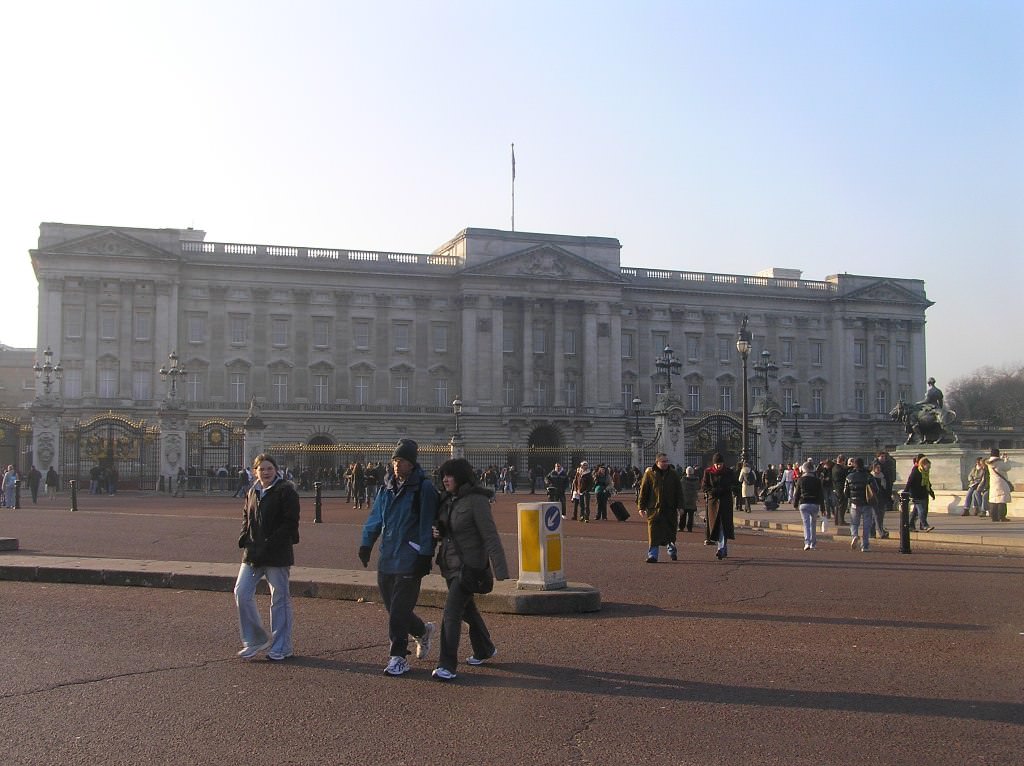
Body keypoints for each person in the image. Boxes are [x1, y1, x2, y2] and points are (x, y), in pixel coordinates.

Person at [358, 439, 438, 676]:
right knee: (393, 608)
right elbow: (375, 519)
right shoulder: (386, 488)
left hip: (410, 555)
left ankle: (398, 657)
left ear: (411, 463)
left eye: (400, 460)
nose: (396, 464)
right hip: (388, 556)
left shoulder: (424, 489)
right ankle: (422, 631)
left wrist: (425, 554)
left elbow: (427, 523)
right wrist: (366, 543)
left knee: (399, 610)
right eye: (394, 460)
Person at [430, 458, 509, 681]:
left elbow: (490, 536)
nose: (445, 479)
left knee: (451, 612)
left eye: (450, 475)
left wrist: (501, 571)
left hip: (469, 567)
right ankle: (485, 649)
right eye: (443, 475)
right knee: (468, 610)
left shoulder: (477, 501)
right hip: (449, 564)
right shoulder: (446, 499)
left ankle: (447, 664)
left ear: (461, 477)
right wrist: (438, 532)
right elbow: (445, 528)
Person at [234, 454, 300, 661]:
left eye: (269, 468)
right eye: (262, 469)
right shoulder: (252, 490)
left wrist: (270, 542)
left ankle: (282, 646)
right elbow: (247, 515)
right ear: (255, 471)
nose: (266, 472)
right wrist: (245, 536)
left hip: (276, 553)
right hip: (253, 552)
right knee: (241, 592)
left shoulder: (286, 491)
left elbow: (290, 522)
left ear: (276, 470)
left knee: (279, 600)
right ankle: (255, 640)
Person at [637, 453, 682, 563]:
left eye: (666, 461)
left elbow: (679, 492)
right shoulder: (649, 474)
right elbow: (644, 492)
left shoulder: (674, 474)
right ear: (657, 462)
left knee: (670, 532)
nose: (666, 463)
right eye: (663, 461)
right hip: (654, 509)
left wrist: (680, 506)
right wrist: (641, 507)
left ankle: (671, 550)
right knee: (653, 532)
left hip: (669, 508)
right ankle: (653, 555)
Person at [701, 452, 736, 560]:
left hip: (725, 501)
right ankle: (723, 547)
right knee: (716, 525)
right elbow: (704, 486)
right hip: (713, 502)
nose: (718, 466)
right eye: (716, 464)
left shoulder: (729, 472)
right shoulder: (708, 472)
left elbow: (734, 484)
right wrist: (713, 491)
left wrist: (725, 489)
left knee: (723, 525)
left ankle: (720, 548)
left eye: (719, 464)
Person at [845, 457, 878, 551]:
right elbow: (876, 489)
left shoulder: (849, 476)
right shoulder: (869, 476)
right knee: (867, 525)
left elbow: (845, 492)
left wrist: (851, 497)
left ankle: (855, 535)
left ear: (854, 465)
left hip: (854, 503)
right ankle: (865, 545)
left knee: (854, 523)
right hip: (866, 503)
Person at [793, 460, 823, 550]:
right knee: (813, 524)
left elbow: (797, 493)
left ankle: (807, 542)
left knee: (806, 524)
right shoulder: (817, 480)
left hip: (804, 503)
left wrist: (795, 504)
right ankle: (813, 544)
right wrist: (823, 508)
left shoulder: (800, 480)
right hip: (814, 503)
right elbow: (821, 494)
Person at [904, 455, 935, 532]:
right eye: (927, 466)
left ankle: (910, 525)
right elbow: (909, 482)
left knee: (916, 511)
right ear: (923, 464)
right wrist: (905, 492)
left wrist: (931, 493)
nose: (928, 468)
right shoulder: (915, 471)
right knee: (921, 511)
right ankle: (925, 525)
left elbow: (927, 483)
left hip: (923, 494)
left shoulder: (925, 473)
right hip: (916, 495)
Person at [985, 448, 1012, 523]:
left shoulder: (989, 462)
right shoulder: (999, 462)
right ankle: (1002, 516)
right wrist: (1006, 459)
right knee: (1002, 499)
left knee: (994, 500)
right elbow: (1007, 467)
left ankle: (994, 517)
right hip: (1001, 482)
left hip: (993, 482)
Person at [869, 461, 891, 539]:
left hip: (882, 498)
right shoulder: (871, 477)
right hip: (874, 499)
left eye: (879, 468)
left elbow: (886, 487)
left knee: (878, 516)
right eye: (877, 468)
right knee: (877, 516)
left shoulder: (882, 476)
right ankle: (881, 532)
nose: (878, 469)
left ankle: (871, 533)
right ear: (873, 468)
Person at [679, 466, 700, 532]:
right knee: (691, 516)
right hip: (692, 499)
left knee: (683, 515)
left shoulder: (683, 480)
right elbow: (698, 487)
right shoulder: (696, 480)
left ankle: (681, 527)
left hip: (685, 499)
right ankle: (689, 528)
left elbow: (680, 488)